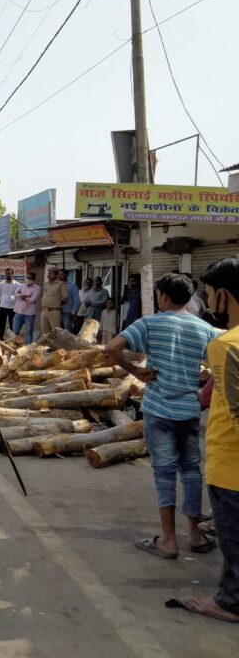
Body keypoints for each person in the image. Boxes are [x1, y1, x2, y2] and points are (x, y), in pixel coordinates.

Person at [106, 273, 219, 562]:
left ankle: (168, 540)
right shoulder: (204, 328)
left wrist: (135, 371)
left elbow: (111, 349)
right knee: (192, 471)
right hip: (189, 411)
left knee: (164, 473)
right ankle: (194, 533)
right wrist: (204, 387)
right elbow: (223, 362)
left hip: (158, 409)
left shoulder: (149, 323)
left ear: (163, 297)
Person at [168, 257, 239, 622]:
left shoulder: (227, 345)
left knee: (233, 538)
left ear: (223, 296)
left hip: (231, 465)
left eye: (210, 294)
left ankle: (230, 602)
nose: (208, 302)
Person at [12, 272, 40, 343]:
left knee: (29, 332)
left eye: (30, 278)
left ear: (34, 279)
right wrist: (27, 297)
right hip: (18, 311)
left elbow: (33, 299)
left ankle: (28, 347)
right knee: (15, 331)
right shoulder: (21, 286)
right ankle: (15, 346)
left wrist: (22, 296)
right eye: (27, 278)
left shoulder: (37, 288)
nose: (28, 279)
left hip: (29, 313)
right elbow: (15, 295)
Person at [39, 268, 68, 337]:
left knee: (56, 332)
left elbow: (66, 298)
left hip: (54, 311)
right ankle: (47, 347)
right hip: (44, 311)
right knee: (45, 333)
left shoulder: (61, 284)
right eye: (48, 273)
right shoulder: (46, 284)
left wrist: (57, 305)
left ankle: (57, 347)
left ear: (57, 275)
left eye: (51, 273)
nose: (48, 275)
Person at [0, 268, 18, 340]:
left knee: (13, 325)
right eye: (6, 274)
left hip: (13, 308)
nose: (8, 275)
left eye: (9, 273)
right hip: (3, 307)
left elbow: (18, 296)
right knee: (1, 325)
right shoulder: (1, 284)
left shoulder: (17, 284)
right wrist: (4, 299)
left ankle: (13, 341)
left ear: (12, 274)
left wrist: (13, 300)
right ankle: (0, 340)